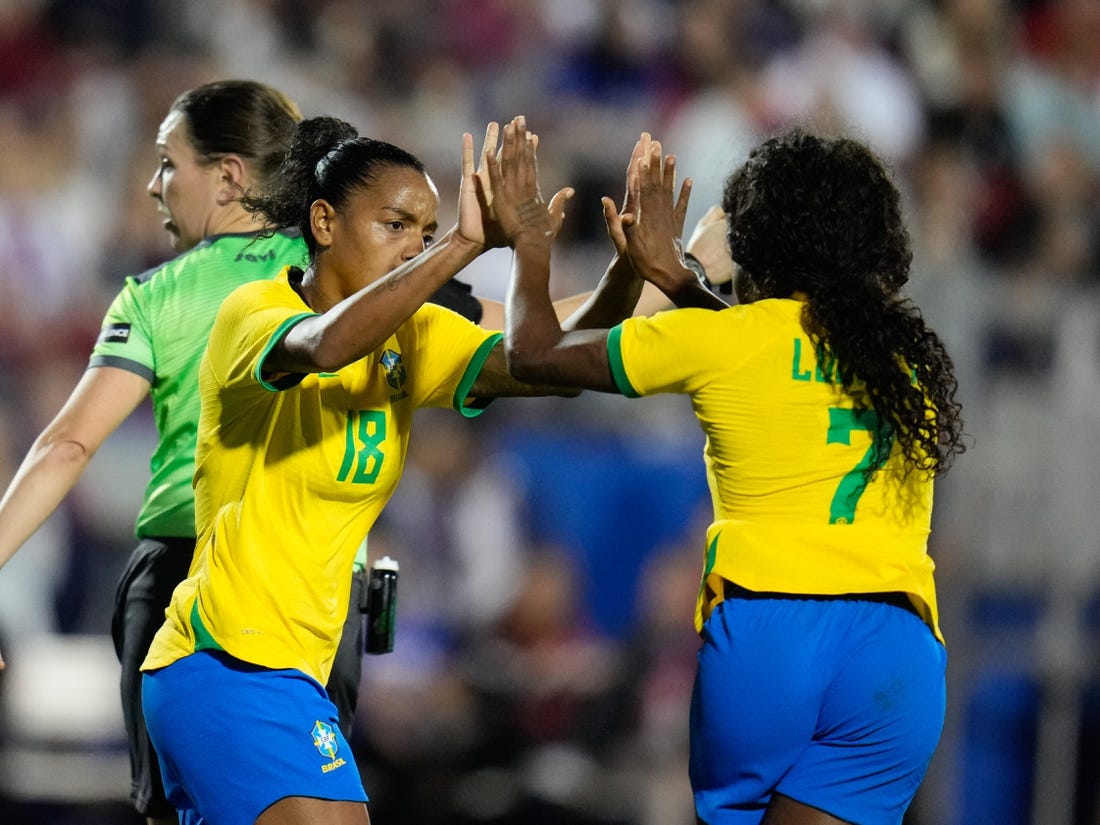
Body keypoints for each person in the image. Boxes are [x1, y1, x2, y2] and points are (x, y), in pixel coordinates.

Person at [136, 112, 717, 825]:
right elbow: (325, 346)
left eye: (426, 228)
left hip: (293, 674)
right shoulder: (254, 312)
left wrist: (630, 265)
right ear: (323, 222)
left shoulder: (412, 337)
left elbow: (551, 357)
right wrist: (463, 244)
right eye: (395, 224)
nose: (413, 244)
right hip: (225, 661)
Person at [493, 121, 966, 825]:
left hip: (772, 636)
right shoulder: (907, 363)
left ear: (756, 244)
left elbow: (530, 353)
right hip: (897, 655)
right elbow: (785, 357)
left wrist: (532, 244)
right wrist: (678, 279)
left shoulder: (718, 339)